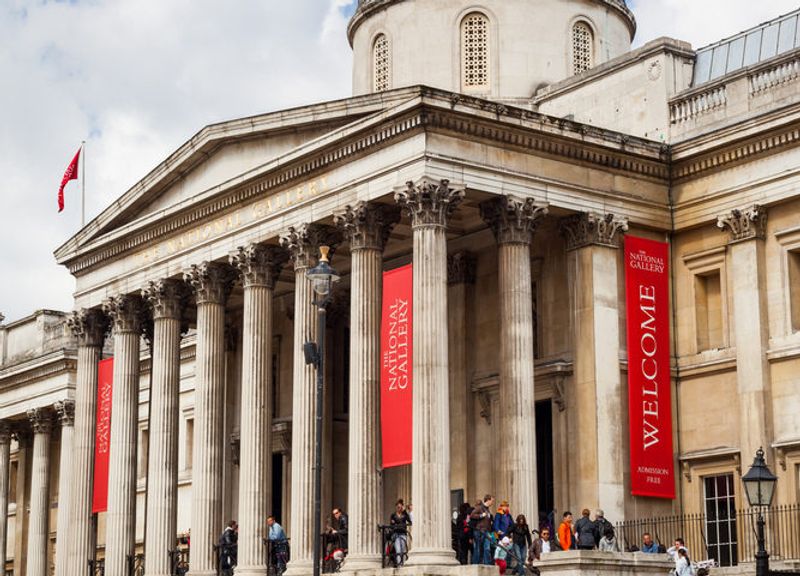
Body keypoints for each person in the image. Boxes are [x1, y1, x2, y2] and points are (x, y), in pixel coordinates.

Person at [470, 495, 494, 565]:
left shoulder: (488, 510)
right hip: (479, 531)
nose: (492, 502)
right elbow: (472, 515)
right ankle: (475, 564)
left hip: (486, 531)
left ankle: (487, 565)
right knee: (477, 548)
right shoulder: (480, 507)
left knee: (487, 548)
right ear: (488, 500)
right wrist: (481, 515)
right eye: (492, 501)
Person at [389, 499, 412, 566]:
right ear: (396, 507)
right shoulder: (393, 515)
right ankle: (399, 565)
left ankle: (403, 564)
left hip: (403, 534)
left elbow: (410, 522)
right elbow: (391, 524)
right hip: (396, 534)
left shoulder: (404, 514)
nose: (399, 508)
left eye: (400, 507)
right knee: (398, 550)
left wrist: (405, 511)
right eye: (398, 507)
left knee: (403, 550)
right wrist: (393, 523)